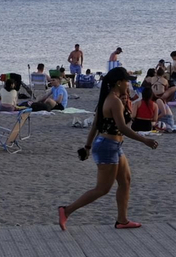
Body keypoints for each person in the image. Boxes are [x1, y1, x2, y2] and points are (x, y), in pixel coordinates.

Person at [59, 68, 160, 231]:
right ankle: (66, 210)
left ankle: (122, 220)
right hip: (107, 146)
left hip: (112, 145)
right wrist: (144, 140)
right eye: (126, 81)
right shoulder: (113, 101)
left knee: (125, 181)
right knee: (102, 189)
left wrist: (87, 147)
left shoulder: (109, 98)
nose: (128, 84)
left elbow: (95, 126)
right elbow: (122, 127)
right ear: (118, 83)